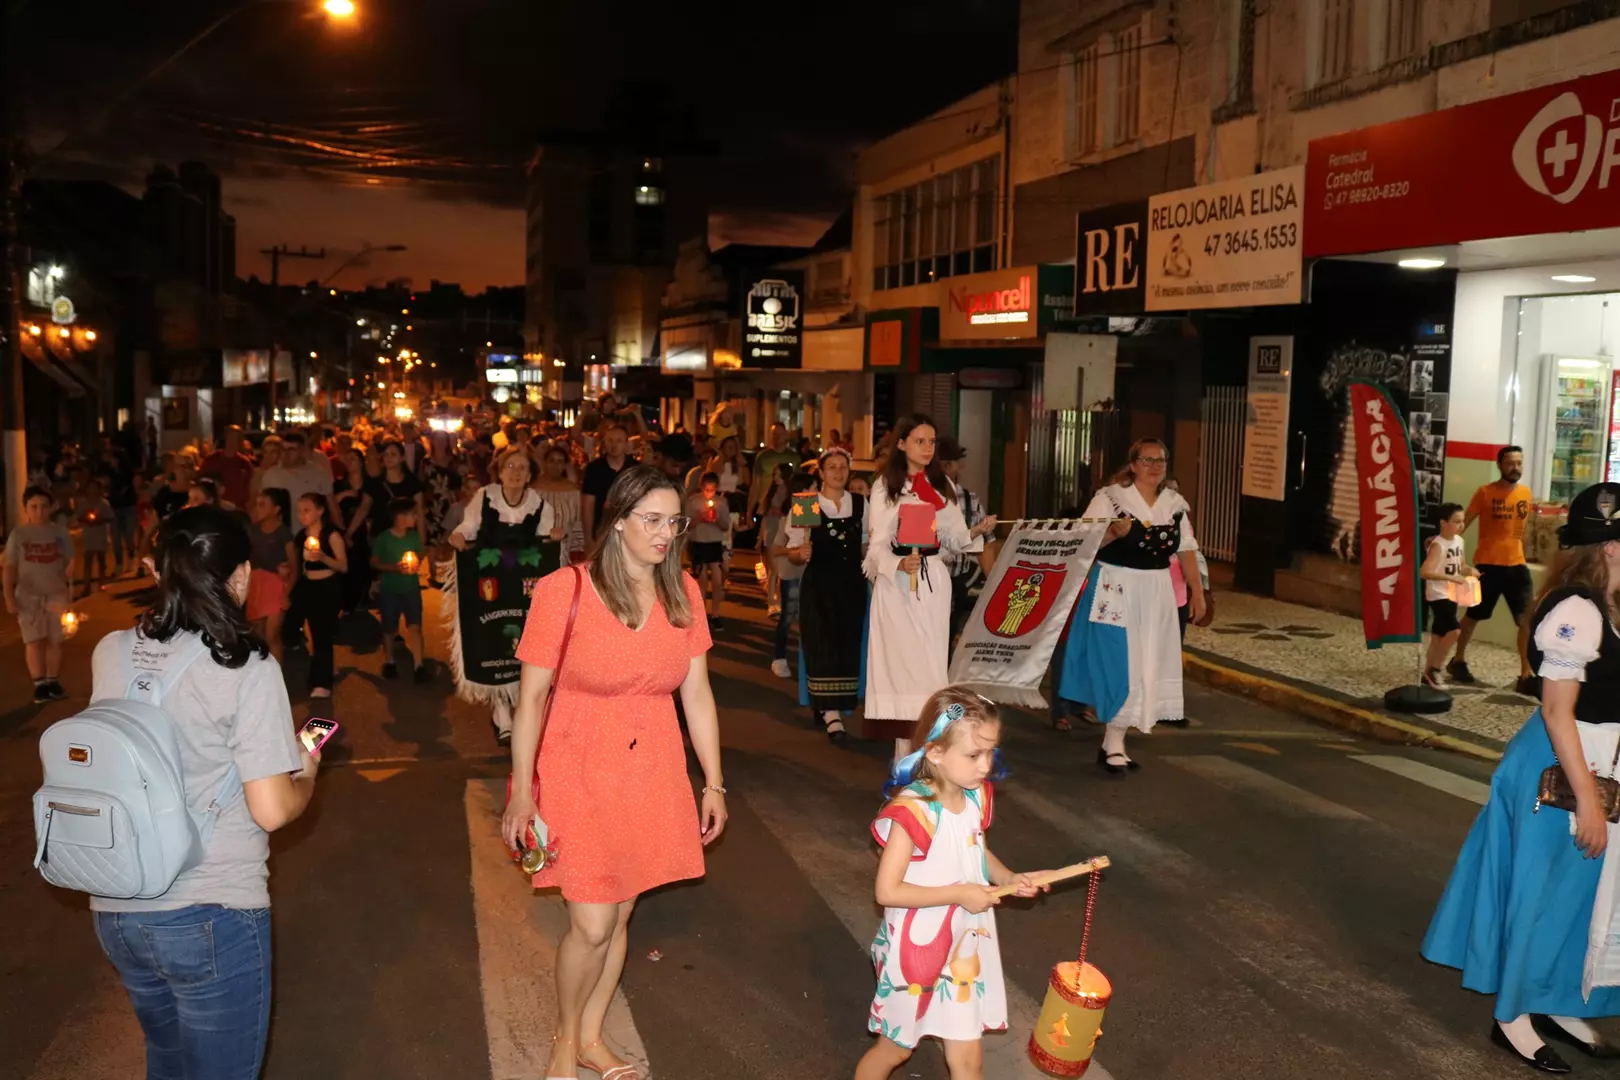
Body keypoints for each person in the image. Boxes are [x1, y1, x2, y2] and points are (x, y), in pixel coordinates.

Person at [501, 464, 725, 1080]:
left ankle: (593, 1035)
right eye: (650, 519)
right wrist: (523, 793)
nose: (664, 532)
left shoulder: (683, 591)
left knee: (622, 912)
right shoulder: (562, 591)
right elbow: (532, 700)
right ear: (619, 521)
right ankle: (563, 1041)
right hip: (576, 760)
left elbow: (698, 696)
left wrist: (714, 782)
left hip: (652, 761)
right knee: (593, 919)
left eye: (673, 521)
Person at [89, 504, 319, 1079]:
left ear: (152, 569)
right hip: (211, 910)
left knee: (167, 1062)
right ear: (241, 576)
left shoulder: (109, 651)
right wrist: (308, 767)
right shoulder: (246, 667)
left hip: (119, 908)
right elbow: (271, 810)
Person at [1422, 481, 1620, 1073]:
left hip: (1597, 762)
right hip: (1556, 770)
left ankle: (1555, 998)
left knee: (1580, 894)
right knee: (1539, 893)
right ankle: (1511, 1017)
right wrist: (1586, 800)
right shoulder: (1576, 611)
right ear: (1610, 546)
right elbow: (1557, 711)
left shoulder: (1609, 606)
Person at [857, 687, 1047, 1080]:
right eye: (975, 754)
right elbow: (887, 892)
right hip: (917, 949)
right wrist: (960, 893)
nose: (986, 765)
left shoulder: (976, 796)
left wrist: (1009, 878)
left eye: (991, 752)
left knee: (968, 1060)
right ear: (935, 752)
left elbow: (975, 851)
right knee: (894, 1051)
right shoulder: (914, 811)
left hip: (963, 946)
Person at [1057, 438, 1205, 775]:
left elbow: (1185, 549)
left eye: (1161, 460)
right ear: (1133, 464)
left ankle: (1114, 740)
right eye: (1147, 459)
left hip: (1155, 591)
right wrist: (1110, 534)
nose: (1155, 466)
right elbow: (1081, 542)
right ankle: (1114, 739)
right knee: (1117, 661)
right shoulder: (1109, 499)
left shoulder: (1174, 504)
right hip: (1115, 587)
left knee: (1143, 663)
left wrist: (1197, 592)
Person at [865, 415, 997, 759]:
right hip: (897, 586)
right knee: (902, 667)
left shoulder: (943, 485)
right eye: (919, 441)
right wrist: (898, 563)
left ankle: (928, 750)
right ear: (901, 443)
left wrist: (975, 532)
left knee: (932, 667)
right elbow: (876, 543)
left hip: (933, 583)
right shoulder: (885, 486)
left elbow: (952, 539)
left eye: (931, 442)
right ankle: (903, 753)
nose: (927, 448)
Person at [448, 447, 561, 743]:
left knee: (524, 641)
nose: (516, 471)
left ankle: (522, 706)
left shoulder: (538, 503)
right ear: (499, 471)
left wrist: (556, 537)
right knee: (494, 639)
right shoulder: (485, 496)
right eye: (510, 465)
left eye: (522, 467)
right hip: (491, 584)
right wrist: (459, 536)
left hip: (524, 588)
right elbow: (469, 526)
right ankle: (501, 711)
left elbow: (548, 536)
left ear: (530, 475)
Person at [1449, 446, 1538, 695]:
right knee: (1473, 616)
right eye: (1510, 463)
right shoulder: (1485, 492)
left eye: (1519, 463)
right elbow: (1464, 521)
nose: (1516, 468)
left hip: (1517, 566)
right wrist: (1445, 543)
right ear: (1499, 465)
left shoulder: (1525, 493)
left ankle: (1525, 674)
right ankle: (1457, 661)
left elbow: (1522, 530)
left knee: (1526, 621)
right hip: (1488, 566)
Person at [797, 447, 868, 741]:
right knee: (821, 643)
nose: (838, 472)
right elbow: (794, 550)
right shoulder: (808, 504)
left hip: (851, 584)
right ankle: (831, 715)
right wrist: (798, 552)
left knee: (846, 645)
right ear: (822, 473)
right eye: (832, 468)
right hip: (819, 585)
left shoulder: (862, 504)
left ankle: (830, 705)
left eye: (843, 467)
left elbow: (866, 547)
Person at [3, 486, 73, 701]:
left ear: (51, 507)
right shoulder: (19, 535)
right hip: (28, 596)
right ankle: (40, 683)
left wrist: (69, 589)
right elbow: (9, 567)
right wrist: (8, 597)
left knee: (55, 639)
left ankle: (53, 680)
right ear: (26, 509)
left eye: (43, 506)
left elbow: (69, 560)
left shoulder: (59, 533)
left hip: (55, 594)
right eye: (33, 507)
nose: (39, 511)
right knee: (34, 640)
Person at [287, 493, 349, 699]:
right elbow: (296, 563)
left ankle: (322, 682)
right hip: (307, 585)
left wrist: (322, 557)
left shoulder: (331, 535)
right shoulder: (301, 536)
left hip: (327, 586)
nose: (302, 515)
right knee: (305, 629)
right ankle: (326, 666)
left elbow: (343, 566)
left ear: (320, 511)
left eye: (307, 510)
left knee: (322, 634)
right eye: (300, 510)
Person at [936, 436, 989, 646]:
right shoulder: (917, 496)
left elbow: (984, 546)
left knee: (951, 642)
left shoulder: (969, 499)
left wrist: (991, 582)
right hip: (929, 584)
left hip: (959, 587)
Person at [372, 496, 430, 682]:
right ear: (400, 516)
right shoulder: (384, 539)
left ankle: (419, 665)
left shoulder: (413, 537)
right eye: (413, 514)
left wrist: (415, 562)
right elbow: (374, 561)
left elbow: (419, 552)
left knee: (415, 626)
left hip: (411, 589)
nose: (416, 518)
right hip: (390, 590)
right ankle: (389, 661)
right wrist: (394, 568)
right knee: (389, 628)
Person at [767, 470, 817, 682]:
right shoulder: (788, 519)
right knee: (789, 615)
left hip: (812, 574)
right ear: (803, 491)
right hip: (791, 572)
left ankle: (809, 660)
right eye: (815, 488)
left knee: (810, 617)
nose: (818, 492)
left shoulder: (818, 516)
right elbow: (775, 549)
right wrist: (794, 551)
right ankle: (779, 657)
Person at [1421, 503, 1474, 689]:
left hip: (1452, 593)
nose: (1461, 525)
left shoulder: (1459, 541)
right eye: (1456, 521)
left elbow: (1461, 565)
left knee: (1438, 635)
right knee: (1454, 631)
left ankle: (1427, 672)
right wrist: (1450, 577)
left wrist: (1470, 571)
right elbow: (1425, 572)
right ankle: (1436, 668)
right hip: (1438, 594)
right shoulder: (1438, 545)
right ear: (1443, 523)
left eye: (1463, 521)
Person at [247, 488, 296, 665]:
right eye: (257, 505)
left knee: (273, 635)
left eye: (262, 505)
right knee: (258, 635)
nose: (258, 509)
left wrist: (286, 593)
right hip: (256, 584)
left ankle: (277, 679)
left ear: (276, 509)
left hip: (276, 585)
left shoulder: (283, 533)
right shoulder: (252, 530)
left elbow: (294, 566)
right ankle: (262, 675)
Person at [258, 432, 339, 526]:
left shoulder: (318, 473)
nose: (287, 453)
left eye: (292, 449)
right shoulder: (270, 475)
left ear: (302, 451)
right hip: (282, 534)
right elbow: (261, 507)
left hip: (310, 533)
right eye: (284, 449)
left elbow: (331, 505)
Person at [686, 472, 733, 629]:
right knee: (701, 580)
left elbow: (726, 526)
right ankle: (701, 614)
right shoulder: (693, 502)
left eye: (712, 489)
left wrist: (716, 518)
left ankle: (716, 613)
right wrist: (700, 517)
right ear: (702, 487)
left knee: (717, 580)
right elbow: (687, 525)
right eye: (706, 489)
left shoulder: (722, 502)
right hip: (698, 541)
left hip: (714, 542)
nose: (709, 493)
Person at [581, 423, 633, 546]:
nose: (614, 445)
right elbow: (588, 506)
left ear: (626, 444)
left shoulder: (635, 469)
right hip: (601, 532)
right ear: (604, 443)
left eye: (619, 441)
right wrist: (588, 539)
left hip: (631, 533)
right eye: (610, 440)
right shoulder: (594, 469)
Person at [534, 442, 585, 562]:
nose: (555, 465)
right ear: (545, 463)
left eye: (560, 461)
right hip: (536, 553)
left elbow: (577, 527)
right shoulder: (533, 490)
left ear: (565, 465)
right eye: (551, 461)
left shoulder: (573, 491)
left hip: (564, 556)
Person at [759, 461, 795, 616]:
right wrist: (760, 537)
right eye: (775, 475)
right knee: (774, 569)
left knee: (781, 569)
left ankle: (778, 599)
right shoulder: (773, 491)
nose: (776, 478)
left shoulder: (790, 492)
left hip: (783, 532)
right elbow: (765, 515)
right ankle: (772, 603)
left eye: (779, 475)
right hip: (771, 530)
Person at [419, 429, 464, 548]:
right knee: (433, 541)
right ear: (432, 441)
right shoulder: (426, 462)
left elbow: (459, 485)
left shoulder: (454, 461)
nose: (440, 442)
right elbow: (422, 485)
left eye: (443, 439)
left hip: (450, 505)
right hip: (432, 507)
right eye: (437, 439)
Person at [199, 426, 255, 510]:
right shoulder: (212, 459)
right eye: (231, 437)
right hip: (216, 508)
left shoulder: (245, 463)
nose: (233, 441)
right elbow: (201, 483)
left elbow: (250, 489)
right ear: (226, 438)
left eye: (237, 439)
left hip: (237, 510)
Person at [76, 477, 114, 593]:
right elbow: (79, 517)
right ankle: (87, 585)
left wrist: (99, 520)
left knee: (101, 559)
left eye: (94, 488)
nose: (92, 490)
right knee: (88, 559)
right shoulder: (83, 503)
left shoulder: (104, 503)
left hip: (100, 533)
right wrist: (86, 520)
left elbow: (110, 517)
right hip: (89, 534)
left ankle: (101, 582)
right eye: (90, 488)